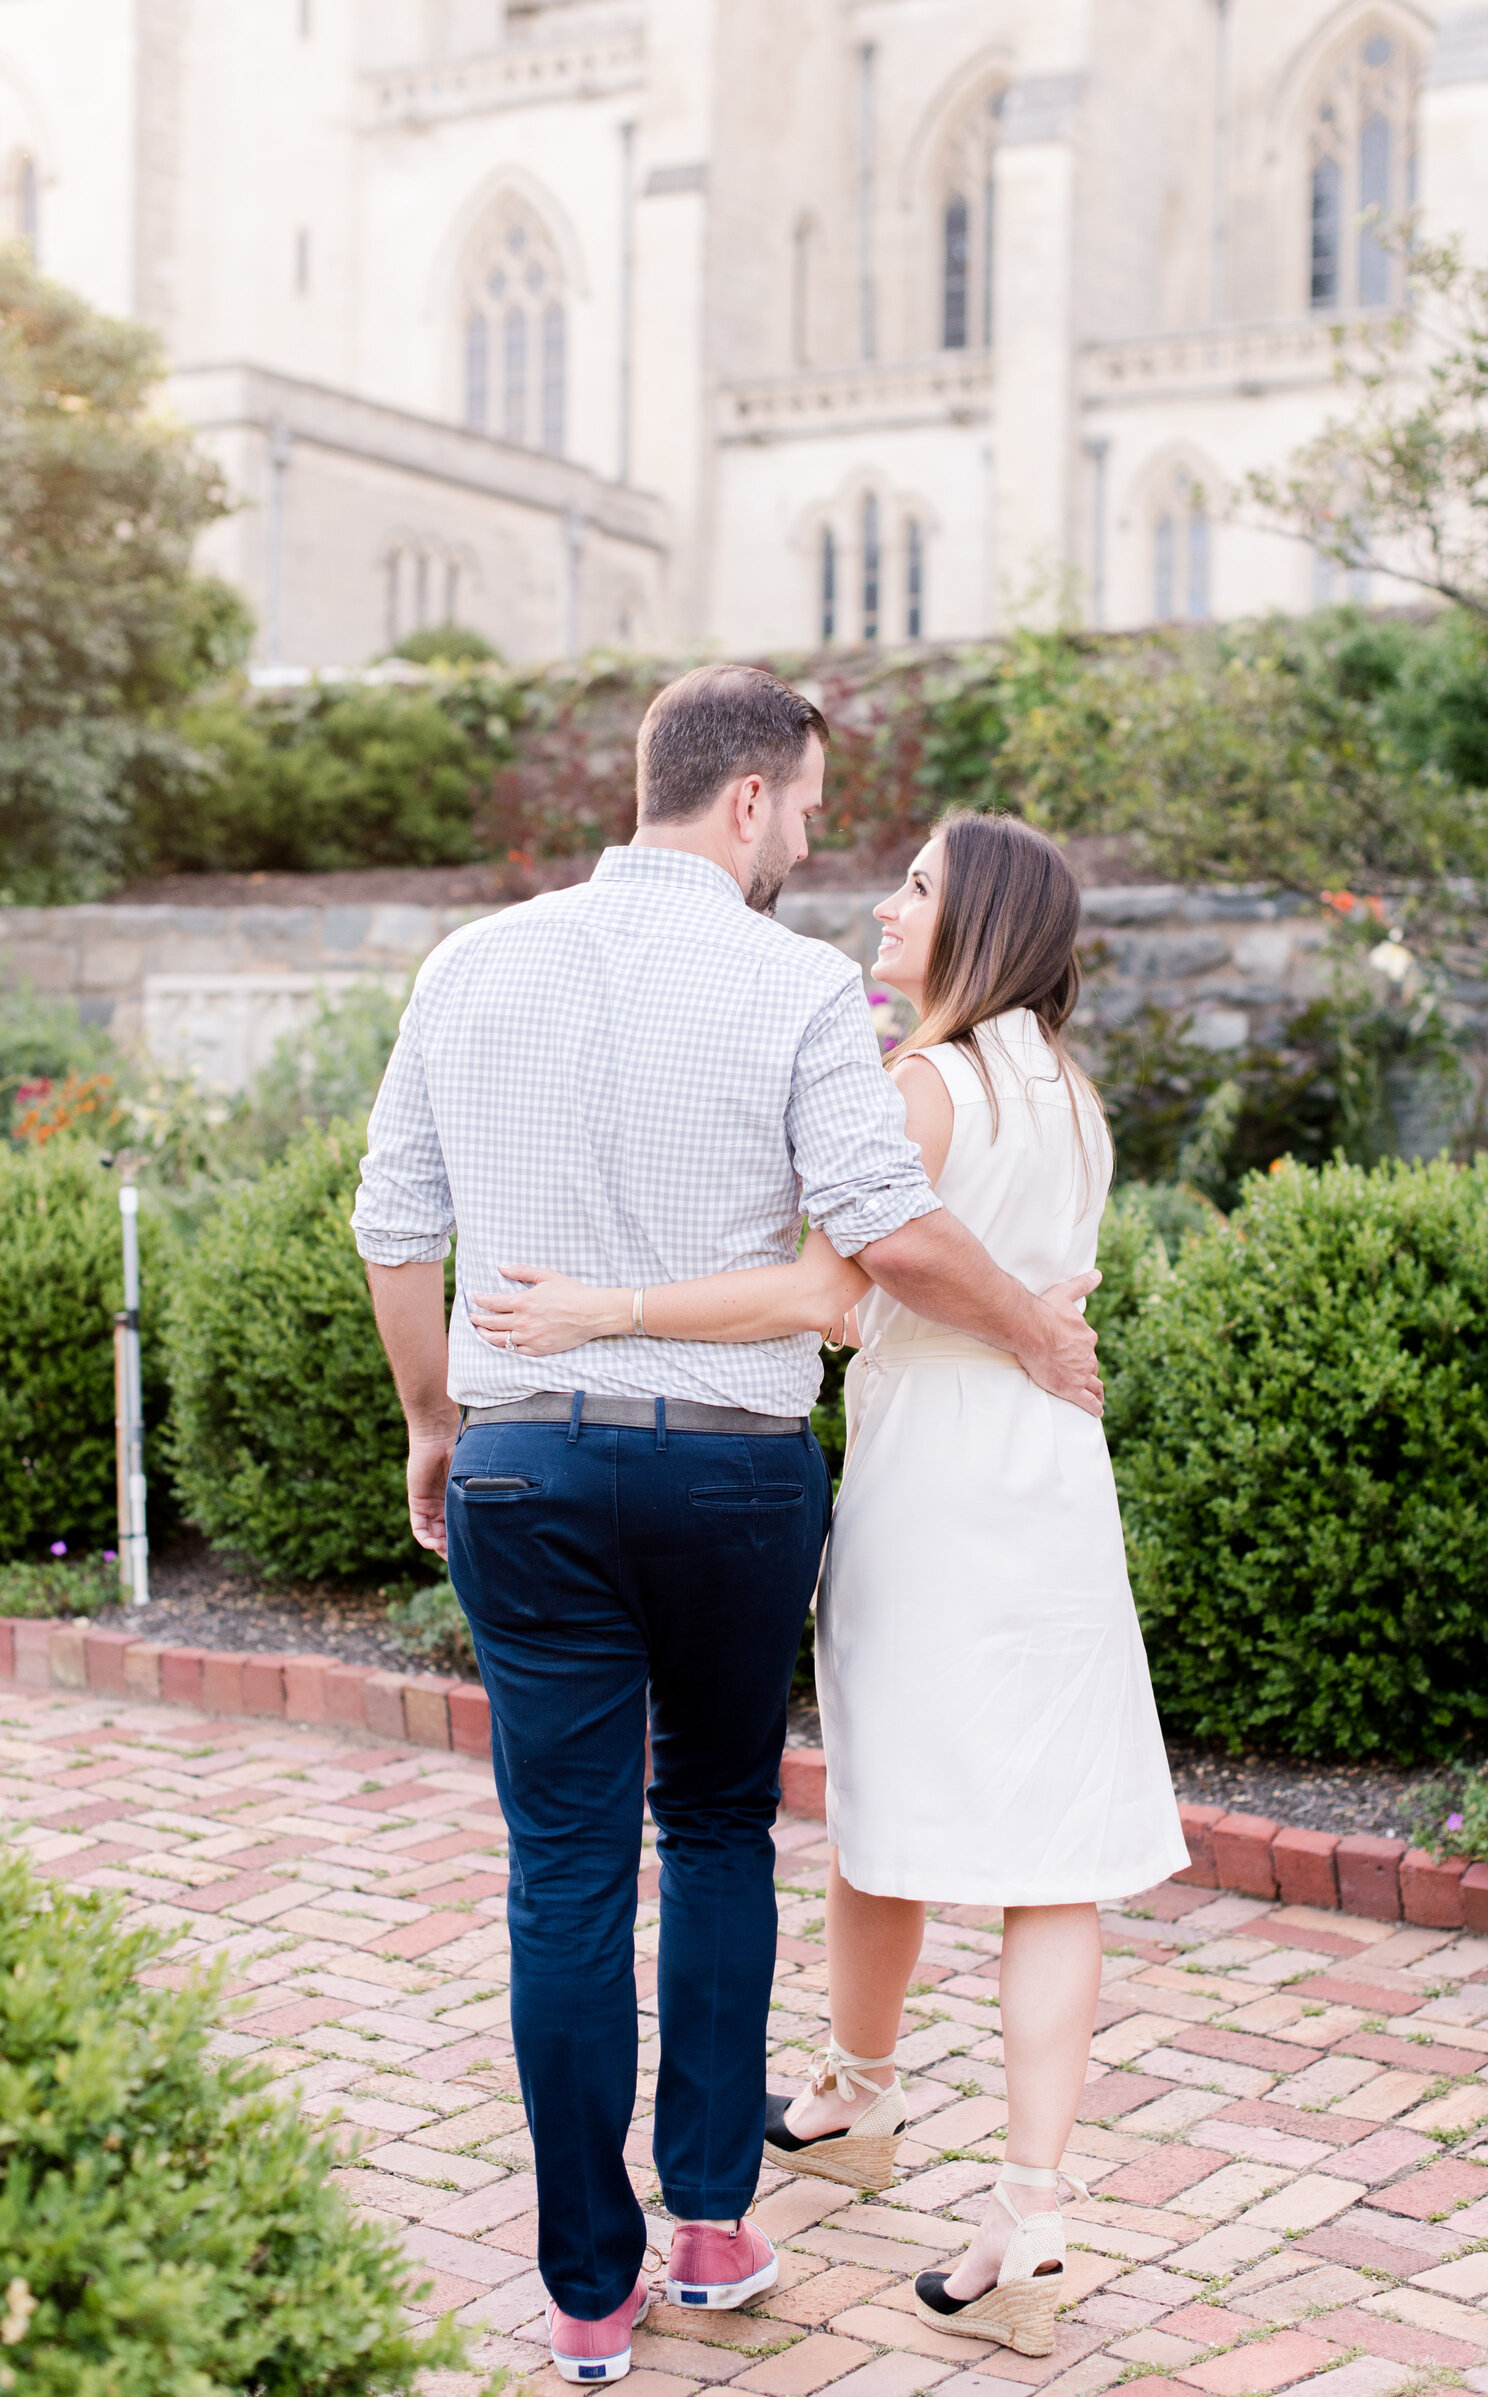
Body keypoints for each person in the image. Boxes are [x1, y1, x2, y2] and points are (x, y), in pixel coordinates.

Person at [352, 669, 1104, 2385]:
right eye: (818, 806)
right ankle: (707, 2222)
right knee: (711, 1827)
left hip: (525, 1467)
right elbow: (880, 1227)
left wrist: (432, 1418)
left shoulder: (467, 965)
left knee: (560, 1864)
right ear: (751, 801)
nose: (824, 840)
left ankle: (587, 2290)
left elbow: (399, 1226)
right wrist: (1042, 1325)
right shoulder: (797, 994)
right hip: (733, 1474)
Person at [468, 809, 1189, 2363]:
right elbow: (1024, 1288)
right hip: (1054, 1476)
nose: (884, 903)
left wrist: (605, 1304)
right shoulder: (1074, 1096)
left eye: (917, 886)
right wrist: (1016, 1323)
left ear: (976, 923)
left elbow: (830, 1287)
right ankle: (1026, 2196)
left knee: (887, 1796)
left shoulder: (918, 1085)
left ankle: (860, 2087)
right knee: (1046, 1852)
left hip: (933, 1482)